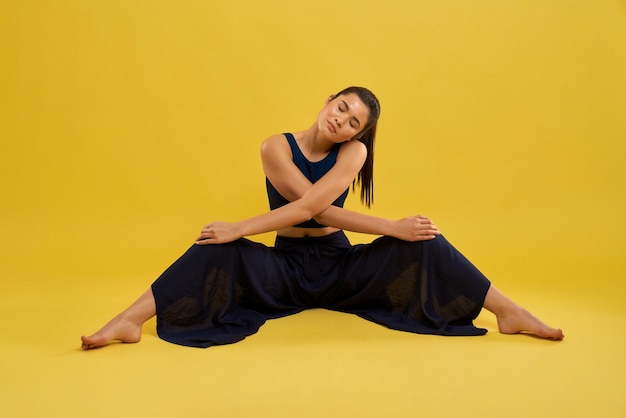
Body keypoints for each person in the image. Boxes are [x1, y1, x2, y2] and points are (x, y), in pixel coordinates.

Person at [81, 86, 563, 350]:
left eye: (355, 122)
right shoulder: (275, 146)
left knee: (427, 242)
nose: (343, 122)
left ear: (359, 134)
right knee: (214, 245)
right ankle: (126, 321)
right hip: (284, 271)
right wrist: (237, 231)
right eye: (342, 109)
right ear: (327, 102)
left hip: (341, 268)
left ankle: (508, 311)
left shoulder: (352, 153)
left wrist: (399, 232)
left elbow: (319, 211)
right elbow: (308, 207)